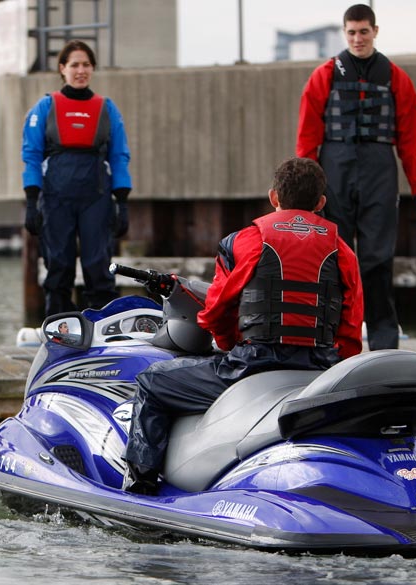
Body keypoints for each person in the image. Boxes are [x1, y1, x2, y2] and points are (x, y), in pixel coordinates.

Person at [123, 158, 364, 495]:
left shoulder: (244, 241)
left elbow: (214, 312)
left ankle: (141, 483)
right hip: (317, 370)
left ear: (273, 197)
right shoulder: (343, 251)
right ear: (321, 203)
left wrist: (225, 343)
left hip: (254, 364)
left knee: (152, 381)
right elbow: (351, 331)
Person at [296, 3, 416, 351]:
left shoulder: (396, 78)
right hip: (335, 168)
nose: (358, 38)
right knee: (334, 258)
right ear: (345, 33)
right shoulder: (324, 76)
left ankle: (385, 344)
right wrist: (303, 193)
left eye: (364, 32)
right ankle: (333, 341)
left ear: (375, 31)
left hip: (379, 168)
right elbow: (307, 138)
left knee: (377, 259)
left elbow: (412, 140)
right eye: (352, 32)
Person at [22, 40, 132, 317]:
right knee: (59, 266)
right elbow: (31, 155)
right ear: (63, 69)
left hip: (96, 198)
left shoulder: (107, 109)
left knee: (98, 266)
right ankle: (59, 331)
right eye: (74, 65)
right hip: (56, 198)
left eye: (86, 65)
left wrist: (122, 202)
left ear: (93, 68)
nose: (80, 70)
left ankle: (103, 331)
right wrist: (31, 202)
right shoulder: (45, 107)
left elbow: (119, 156)